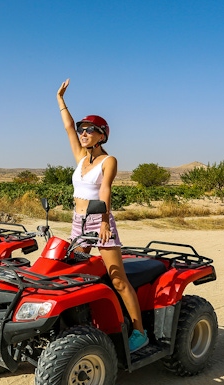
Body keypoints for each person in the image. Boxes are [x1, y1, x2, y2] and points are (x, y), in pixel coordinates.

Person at [56, 78, 148, 352]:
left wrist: (105, 222)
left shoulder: (109, 161)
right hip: (78, 222)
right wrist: (60, 100)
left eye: (89, 131)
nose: (83, 134)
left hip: (99, 220)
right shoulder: (81, 158)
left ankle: (139, 332)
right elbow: (67, 128)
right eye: (82, 130)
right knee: (74, 270)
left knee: (118, 278)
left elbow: (105, 191)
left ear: (102, 136)